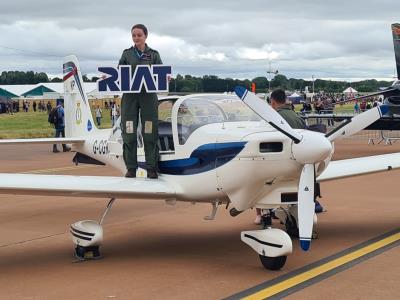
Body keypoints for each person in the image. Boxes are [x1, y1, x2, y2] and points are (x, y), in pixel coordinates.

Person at [255, 89, 307, 225]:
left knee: (258, 184)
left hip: (274, 162)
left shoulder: (271, 117)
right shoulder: (297, 117)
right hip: (297, 163)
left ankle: (262, 215)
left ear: (272, 102)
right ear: (285, 100)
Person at [118, 24, 162, 179]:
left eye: (139, 35)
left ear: (145, 36)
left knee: (149, 132)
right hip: (130, 97)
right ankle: (131, 168)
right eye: (134, 35)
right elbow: (119, 74)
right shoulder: (127, 54)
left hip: (148, 97)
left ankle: (151, 168)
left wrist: (166, 78)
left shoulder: (154, 55)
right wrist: (108, 79)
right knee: (129, 133)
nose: (136, 38)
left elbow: (160, 73)